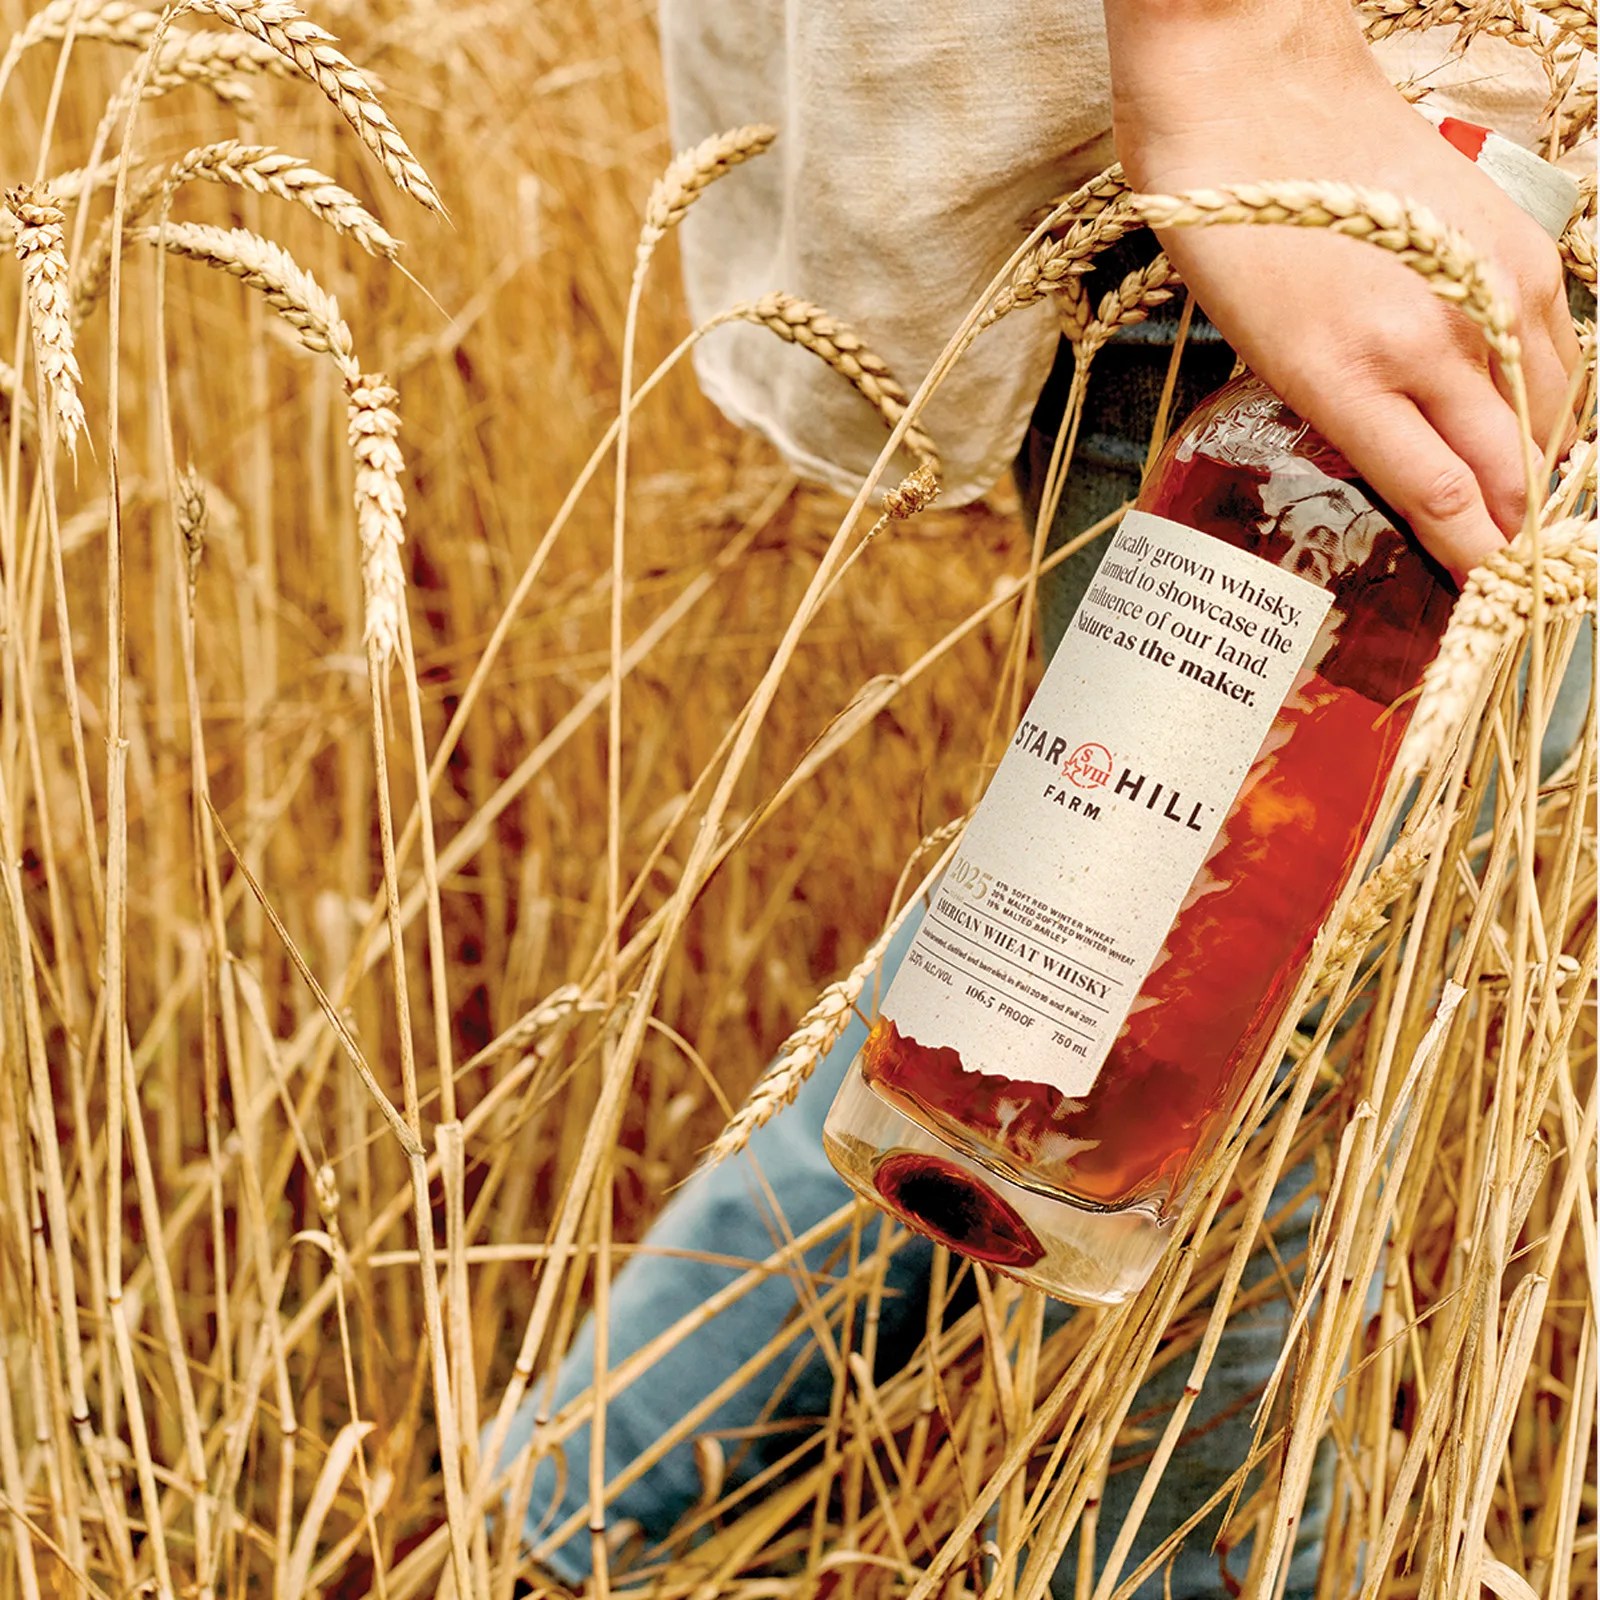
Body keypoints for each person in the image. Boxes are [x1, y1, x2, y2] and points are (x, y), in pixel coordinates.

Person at [491, 2, 1588, 1594]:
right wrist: (1238, 44)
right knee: (1204, 1167)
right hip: (1388, 194)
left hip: (1427, 193)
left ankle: (535, 1520)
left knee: (1061, 1024)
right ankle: (538, 1522)